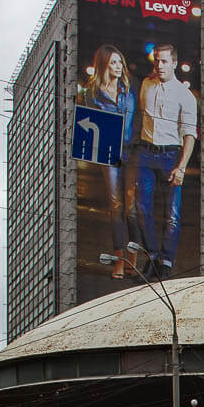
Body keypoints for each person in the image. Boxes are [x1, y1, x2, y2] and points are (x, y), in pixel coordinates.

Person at [133, 43, 197, 280]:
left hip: (171, 156)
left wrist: (181, 167)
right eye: (156, 61)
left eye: (164, 61)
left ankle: (166, 261)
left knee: (172, 213)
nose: (159, 66)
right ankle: (151, 255)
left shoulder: (185, 95)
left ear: (174, 63)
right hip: (146, 153)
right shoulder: (146, 85)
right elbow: (142, 113)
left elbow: (190, 134)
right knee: (142, 208)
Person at [82, 44, 139, 280]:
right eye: (113, 62)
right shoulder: (92, 93)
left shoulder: (129, 90)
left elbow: (136, 123)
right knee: (115, 205)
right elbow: (89, 123)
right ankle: (119, 259)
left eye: (119, 62)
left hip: (132, 152)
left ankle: (133, 259)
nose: (117, 67)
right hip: (109, 151)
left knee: (132, 206)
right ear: (104, 65)